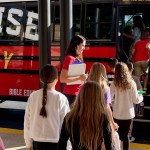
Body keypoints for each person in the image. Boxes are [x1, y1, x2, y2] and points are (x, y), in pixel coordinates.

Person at [57, 81, 115, 150]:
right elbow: (110, 145)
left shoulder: (70, 118)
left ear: (80, 96)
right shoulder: (102, 118)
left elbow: (61, 144)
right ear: (99, 98)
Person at [24, 64, 70, 150]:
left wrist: (28, 144)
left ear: (40, 79)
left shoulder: (33, 96)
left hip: (37, 143)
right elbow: (66, 126)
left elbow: (27, 122)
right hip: (57, 143)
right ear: (57, 79)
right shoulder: (61, 98)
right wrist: (68, 147)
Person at [110, 62, 143, 150]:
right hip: (128, 114)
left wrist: (114, 104)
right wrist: (141, 97)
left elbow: (109, 98)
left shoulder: (114, 83)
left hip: (117, 114)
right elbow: (136, 100)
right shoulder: (132, 83)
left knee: (115, 136)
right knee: (126, 137)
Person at [88, 62, 118, 130]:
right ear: (103, 73)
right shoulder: (106, 88)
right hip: (100, 118)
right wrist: (112, 123)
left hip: (87, 116)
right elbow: (107, 107)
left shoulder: (85, 86)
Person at [60, 35, 87, 107]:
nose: (84, 48)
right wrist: (79, 78)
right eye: (83, 45)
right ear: (76, 45)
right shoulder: (69, 58)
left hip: (78, 94)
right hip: (71, 95)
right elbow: (62, 79)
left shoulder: (77, 57)